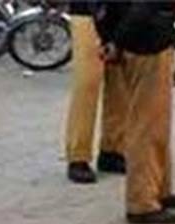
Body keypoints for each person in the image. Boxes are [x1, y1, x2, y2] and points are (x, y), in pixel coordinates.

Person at [95, 0, 175, 224]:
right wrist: (117, 41)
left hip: (139, 39)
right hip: (147, 42)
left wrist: (111, 40)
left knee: (157, 124)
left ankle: (158, 188)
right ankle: (142, 201)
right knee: (147, 126)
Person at [63, 0, 128, 184]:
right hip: (87, 11)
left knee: (120, 85)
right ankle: (78, 156)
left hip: (122, 12)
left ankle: (113, 149)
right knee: (87, 84)